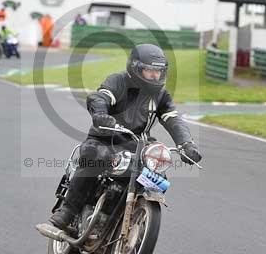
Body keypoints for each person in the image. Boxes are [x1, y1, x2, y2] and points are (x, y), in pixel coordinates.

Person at [48, 44, 203, 231]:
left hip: (137, 145)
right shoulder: (118, 81)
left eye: (159, 71)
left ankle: (126, 218)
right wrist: (101, 115)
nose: (155, 76)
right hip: (106, 138)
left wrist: (186, 144)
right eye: (150, 71)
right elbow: (100, 97)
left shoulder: (161, 95)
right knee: (95, 159)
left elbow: (173, 119)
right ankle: (69, 210)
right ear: (136, 68)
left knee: (157, 175)